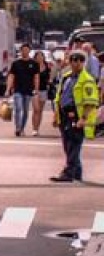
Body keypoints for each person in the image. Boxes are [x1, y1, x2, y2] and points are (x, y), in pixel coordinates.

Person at [51, 50, 99, 184]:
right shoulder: (66, 77)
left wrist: (83, 118)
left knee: (73, 145)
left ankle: (68, 173)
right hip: (64, 115)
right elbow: (59, 96)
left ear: (84, 62)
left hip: (76, 116)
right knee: (67, 145)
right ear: (70, 61)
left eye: (80, 60)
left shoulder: (87, 80)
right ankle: (77, 172)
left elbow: (90, 102)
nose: (76, 63)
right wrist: (56, 115)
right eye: (74, 60)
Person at [4, 48, 42, 137]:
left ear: (29, 51)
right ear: (21, 51)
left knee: (25, 111)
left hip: (28, 90)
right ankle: (17, 128)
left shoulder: (34, 64)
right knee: (18, 108)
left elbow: (36, 77)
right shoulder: (16, 63)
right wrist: (8, 89)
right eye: (23, 50)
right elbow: (11, 76)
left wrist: (36, 89)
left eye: (26, 50)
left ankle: (22, 128)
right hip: (18, 90)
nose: (24, 51)